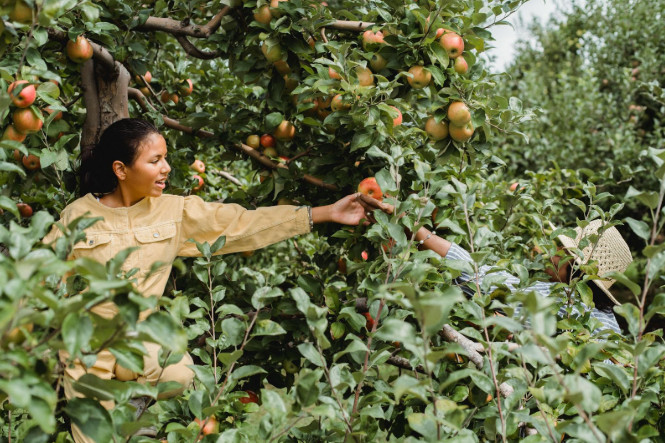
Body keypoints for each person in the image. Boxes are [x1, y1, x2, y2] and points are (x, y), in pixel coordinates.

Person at [42, 118, 381, 443]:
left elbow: (240, 224)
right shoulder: (79, 217)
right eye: (156, 160)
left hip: (140, 338)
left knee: (179, 371)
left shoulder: (174, 211)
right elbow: (41, 278)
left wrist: (322, 213)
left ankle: (131, 417)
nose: (167, 168)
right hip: (87, 348)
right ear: (121, 170)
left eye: (166, 158)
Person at [411, 219, 633, 334]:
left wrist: (418, 231)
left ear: (572, 263)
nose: (551, 253)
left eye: (559, 248)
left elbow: (477, 277)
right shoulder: (608, 322)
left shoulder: (561, 299)